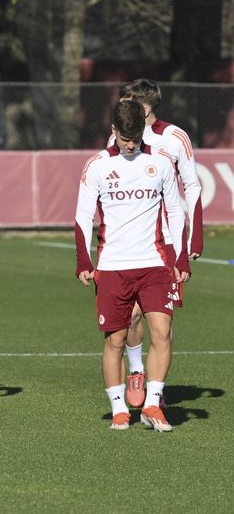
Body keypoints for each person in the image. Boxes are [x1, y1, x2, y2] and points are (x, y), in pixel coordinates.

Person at [75, 99, 189, 431]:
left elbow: (175, 213)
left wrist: (180, 257)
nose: (129, 144)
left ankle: (153, 405)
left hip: (154, 264)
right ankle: (119, 409)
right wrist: (85, 260)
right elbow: (83, 216)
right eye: (124, 137)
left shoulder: (161, 164)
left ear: (143, 131)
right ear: (113, 131)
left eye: (135, 137)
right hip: (112, 266)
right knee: (115, 340)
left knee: (163, 332)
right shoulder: (96, 165)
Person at [108, 79, 202, 408]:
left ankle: (156, 391)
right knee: (131, 316)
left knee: (161, 320)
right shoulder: (118, 136)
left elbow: (192, 186)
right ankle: (136, 370)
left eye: (128, 102)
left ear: (145, 108)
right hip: (130, 243)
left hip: (164, 245)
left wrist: (194, 237)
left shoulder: (174, 138)